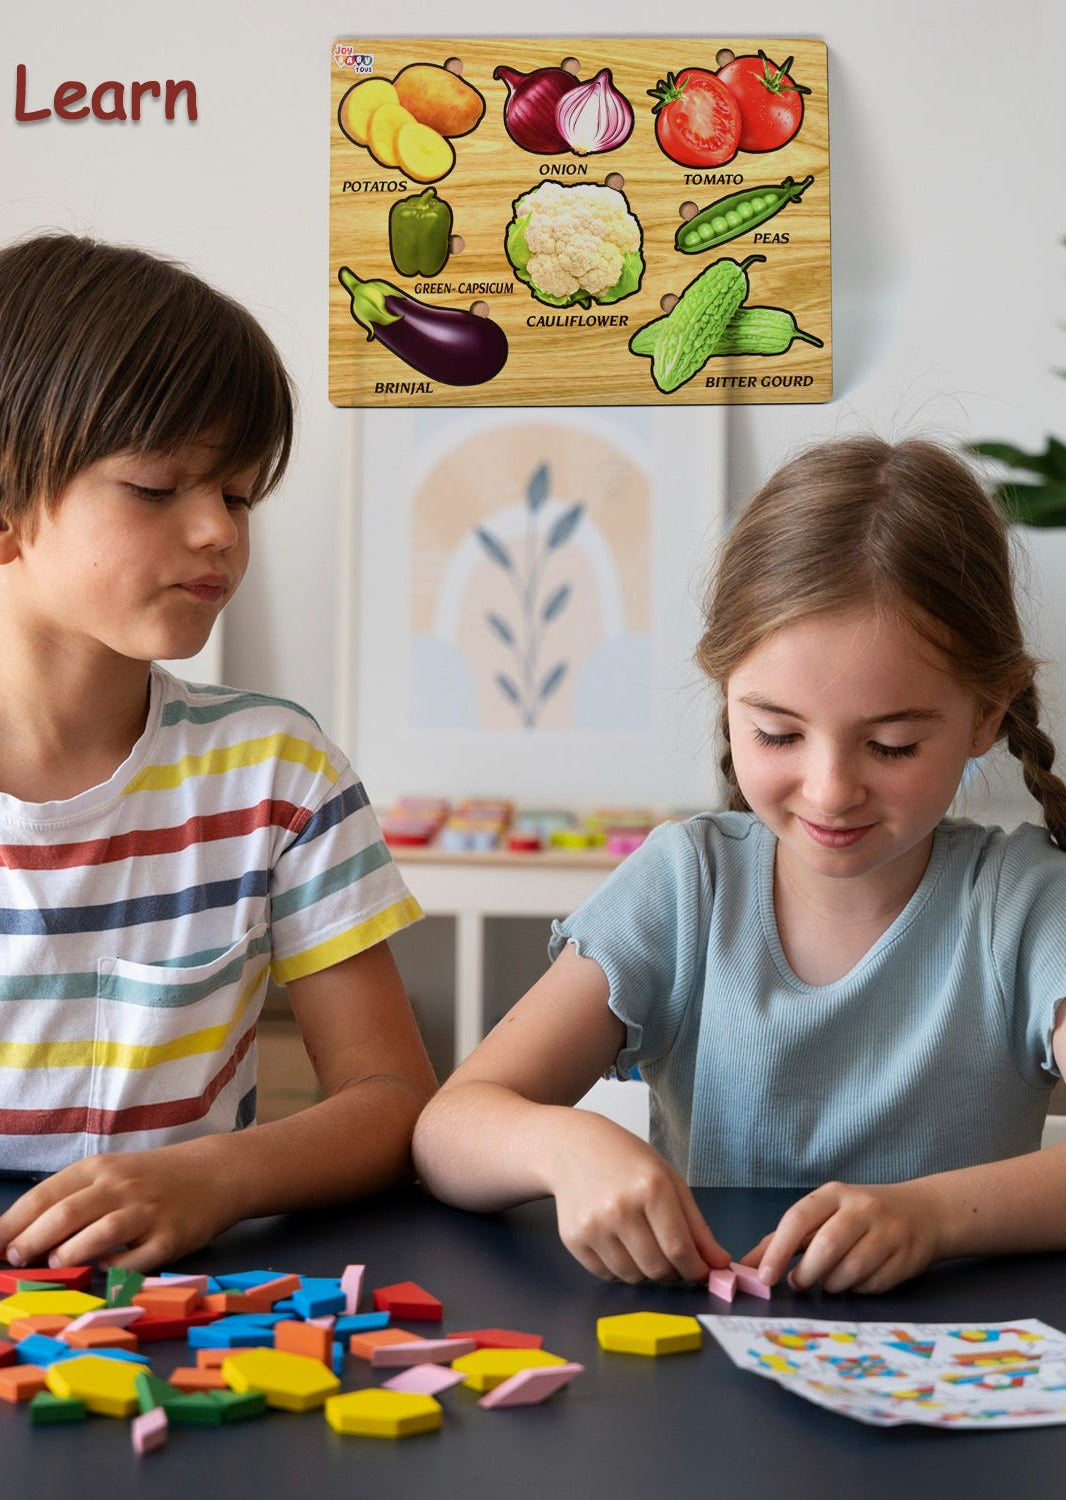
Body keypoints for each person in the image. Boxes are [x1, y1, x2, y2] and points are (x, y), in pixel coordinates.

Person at [0, 233, 436, 1270]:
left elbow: (392, 1101)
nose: (218, 533)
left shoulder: (279, 775)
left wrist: (216, 1177)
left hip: (171, 1314)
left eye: (237, 495)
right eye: (159, 489)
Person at [412, 435, 1066, 1295]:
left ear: (987, 715)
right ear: (726, 695)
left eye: (892, 744)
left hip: (958, 1379)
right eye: (778, 734)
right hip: (704, 1375)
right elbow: (447, 1129)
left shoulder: (1023, 905)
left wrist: (932, 1217)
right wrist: (566, 1147)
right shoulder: (685, 887)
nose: (831, 791)